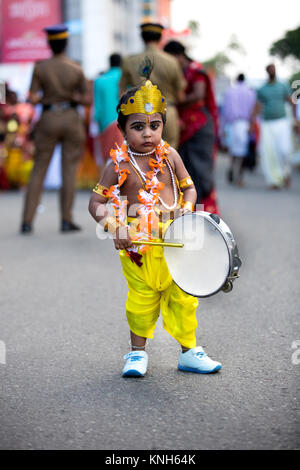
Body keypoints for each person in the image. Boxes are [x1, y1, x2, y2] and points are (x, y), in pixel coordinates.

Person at [88, 64, 222, 377]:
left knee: (183, 297)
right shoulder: (117, 164)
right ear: (122, 130)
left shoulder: (171, 155)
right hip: (139, 245)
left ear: (163, 125)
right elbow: (96, 203)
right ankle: (137, 354)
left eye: (155, 125)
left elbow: (189, 189)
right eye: (138, 127)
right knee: (141, 300)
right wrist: (115, 227)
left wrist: (187, 209)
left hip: (176, 238)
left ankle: (189, 351)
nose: (148, 133)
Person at [21, 24, 90, 234]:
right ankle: (66, 220)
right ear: (66, 44)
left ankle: (27, 221)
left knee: (39, 169)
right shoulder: (76, 68)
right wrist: (72, 97)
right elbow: (86, 99)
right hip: (70, 118)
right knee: (68, 171)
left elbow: (31, 97)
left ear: (49, 44)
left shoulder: (40, 67)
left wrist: (45, 98)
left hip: (49, 118)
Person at [163, 40, 219, 214]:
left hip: (199, 126)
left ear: (178, 56)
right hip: (187, 127)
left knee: (200, 172)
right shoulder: (182, 72)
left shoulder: (196, 71)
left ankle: (204, 213)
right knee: (187, 171)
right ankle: (192, 212)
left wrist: (174, 102)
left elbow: (199, 94)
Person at [119, 22, 186, 150]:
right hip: (167, 113)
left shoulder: (129, 60)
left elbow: (122, 94)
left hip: (138, 114)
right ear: (160, 38)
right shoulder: (172, 61)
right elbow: (181, 97)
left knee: (140, 159)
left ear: (142, 38)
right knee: (168, 158)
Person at [251, 63, 297, 189]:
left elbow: (291, 102)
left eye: (273, 69)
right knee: (269, 153)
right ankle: (275, 181)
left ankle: (286, 172)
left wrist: (295, 120)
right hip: (267, 124)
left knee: (284, 150)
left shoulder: (283, 86)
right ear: (267, 71)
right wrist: (252, 122)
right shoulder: (262, 89)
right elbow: (258, 106)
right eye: (270, 69)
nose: (272, 71)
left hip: (282, 122)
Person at [222, 73, 256, 186]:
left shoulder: (229, 92)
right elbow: (253, 111)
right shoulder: (250, 92)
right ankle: (239, 177)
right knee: (241, 152)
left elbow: (224, 111)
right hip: (244, 124)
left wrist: (222, 128)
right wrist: (252, 126)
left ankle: (232, 167)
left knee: (233, 150)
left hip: (231, 124)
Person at [94, 53, 123, 161]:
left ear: (109, 63)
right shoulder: (125, 79)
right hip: (125, 122)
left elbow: (98, 108)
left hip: (105, 123)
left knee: (108, 158)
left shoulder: (100, 80)